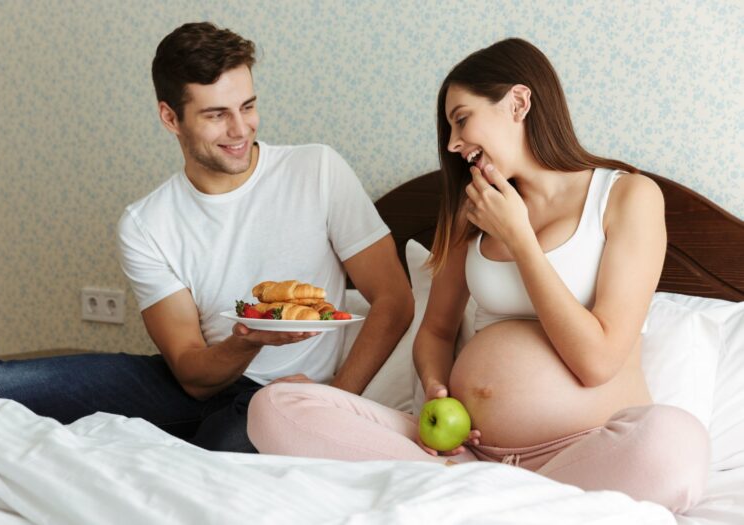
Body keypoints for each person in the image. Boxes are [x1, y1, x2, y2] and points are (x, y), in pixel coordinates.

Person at [246, 38, 710, 513]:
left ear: (519, 103)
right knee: (276, 405)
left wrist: (520, 240)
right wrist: (433, 387)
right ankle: (494, 498)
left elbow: (597, 361)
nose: (452, 144)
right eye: (449, 128)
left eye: (461, 119)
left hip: (583, 454)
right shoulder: (474, 211)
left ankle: (475, 501)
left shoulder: (627, 197)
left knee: (675, 444)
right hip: (460, 456)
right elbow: (437, 331)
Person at [0, 22, 414, 453]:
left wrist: (332, 401)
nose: (240, 130)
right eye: (217, 115)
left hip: (282, 399)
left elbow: (394, 299)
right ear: (170, 118)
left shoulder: (316, 170)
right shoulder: (146, 223)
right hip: (200, 382)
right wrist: (248, 339)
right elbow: (193, 374)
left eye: (248, 106)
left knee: (215, 454)